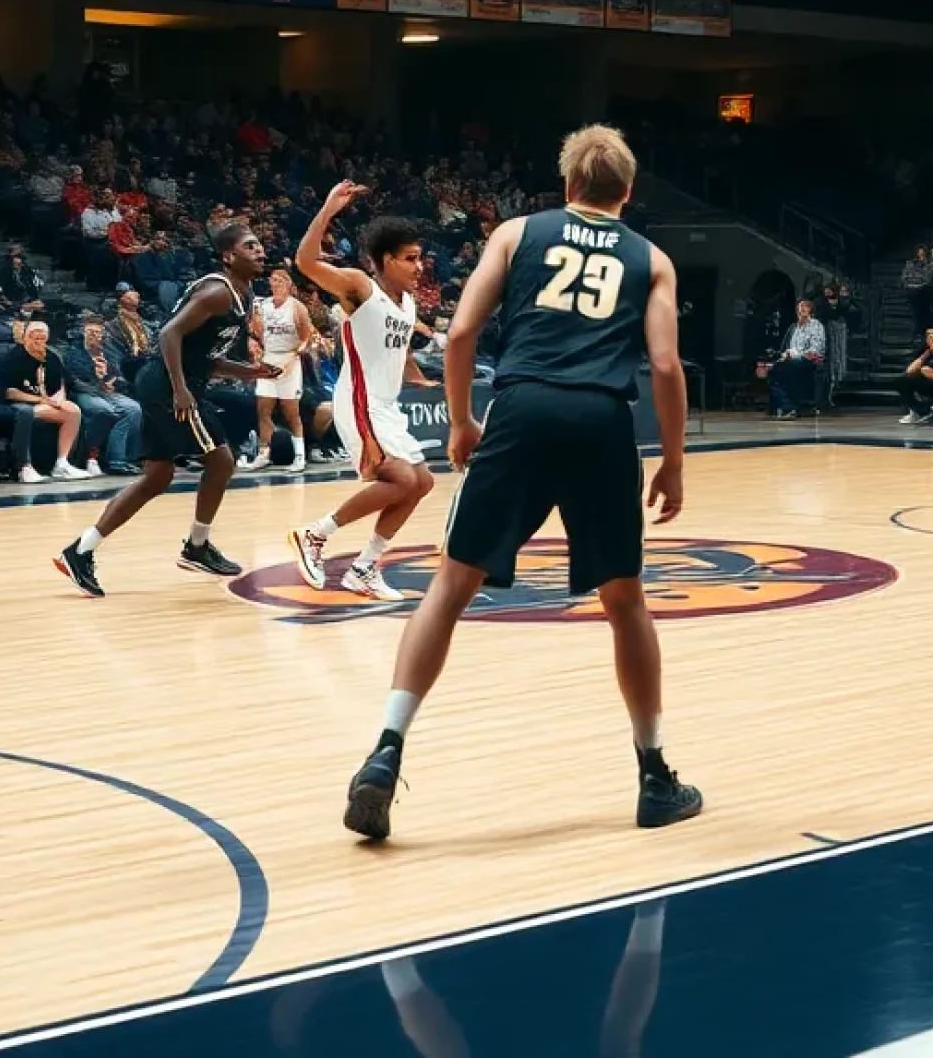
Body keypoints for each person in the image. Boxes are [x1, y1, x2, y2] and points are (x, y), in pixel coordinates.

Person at [341, 124, 701, 841]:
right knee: (625, 602)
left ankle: (385, 752)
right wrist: (673, 459)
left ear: (567, 186)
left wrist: (462, 421)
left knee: (450, 585)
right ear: (627, 193)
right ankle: (654, 776)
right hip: (602, 422)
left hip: (524, 407)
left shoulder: (515, 234)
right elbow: (665, 367)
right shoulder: (652, 258)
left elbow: (465, 330)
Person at [53, 222, 281, 598]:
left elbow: (202, 358)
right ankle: (196, 546)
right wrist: (180, 390)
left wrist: (249, 370)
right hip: (166, 385)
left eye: (259, 245)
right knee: (221, 460)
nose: (259, 251)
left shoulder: (242, 295)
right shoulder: (216, 293)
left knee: (157, 478)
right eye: (250, 246)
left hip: (171, 382)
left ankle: (80, 551)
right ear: (228, 256)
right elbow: (168, 335)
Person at [287, 187, 436, 601]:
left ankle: (365, 568)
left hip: (385, 407)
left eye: (419, 257)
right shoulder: (359, 287)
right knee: (401, 478)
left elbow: (399, 348)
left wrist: (419, 378)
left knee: (421, 482)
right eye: (410, 258)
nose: (419, 266)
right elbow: (304, 262)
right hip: (358, 401)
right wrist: (328, 210)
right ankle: (315, 534)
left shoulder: (407, 303)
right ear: (386, 260)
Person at [241, 267, 314, 474]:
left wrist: (296, 355)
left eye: (280, 281)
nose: (275, 284)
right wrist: (254, 331)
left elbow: (306, 337)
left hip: (289, 360)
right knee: (263, 411)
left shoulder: (297, 307)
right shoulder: (263, 306)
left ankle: (300, 456)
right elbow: (259, 333)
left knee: (291, 413)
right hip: (268, 360)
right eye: (273, 280)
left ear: (289, 285)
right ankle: (263, 454)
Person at [0, 322, 87, 484]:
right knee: (25, 412)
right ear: (26, 337)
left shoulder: (52, 356)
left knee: (73, 410)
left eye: (42, 337)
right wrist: (41, 400)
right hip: (16, 404)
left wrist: (59, 399)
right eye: (34, 337)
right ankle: (24, 467)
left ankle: (62, 463)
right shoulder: (12, 357)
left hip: (45, 403)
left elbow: (61, 384)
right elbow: (9, 392)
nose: (38, 341)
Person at [66, 316, 143, 476]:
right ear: (83, 332)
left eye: (97, 332)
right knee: (104, 409)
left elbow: (119, 377)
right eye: (90, 332)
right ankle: (93, 457)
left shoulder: (107, 352)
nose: (94, 335)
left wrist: (111, 379)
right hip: (83, 392)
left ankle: (120, 459)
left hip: (105, 391)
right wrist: (95, 373)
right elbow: (73, 379)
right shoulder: (74, 351)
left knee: (133, 408)